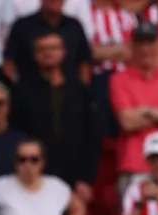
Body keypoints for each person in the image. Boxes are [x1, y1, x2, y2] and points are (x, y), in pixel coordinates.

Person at [11, 30, 101, 202]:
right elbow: (17, 134)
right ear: (35, 55)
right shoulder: (23, 92)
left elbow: (93, 136)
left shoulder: (80, 91)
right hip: (35, 174)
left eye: (53, 48)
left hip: (74, 176)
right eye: (42, 49)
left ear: (63, 52)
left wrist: (86, 179)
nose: (48, 53)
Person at [110, 21, 158, 198]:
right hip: (133, 164)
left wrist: (148, 111)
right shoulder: (119, 79)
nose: (145, 49)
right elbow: (127, 121)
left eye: (150, 43)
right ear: (132, 47)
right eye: (140, 43)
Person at [4, 0, 93, 83]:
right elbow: (9, 63)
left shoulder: (74, 26)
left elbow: (84, 63)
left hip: (71, 93)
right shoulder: (22, 26)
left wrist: (84, 90)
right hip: (30, 92)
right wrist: (16, 90)